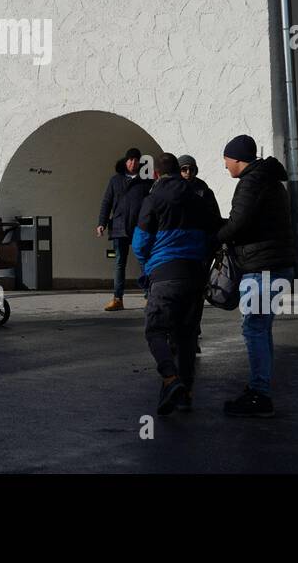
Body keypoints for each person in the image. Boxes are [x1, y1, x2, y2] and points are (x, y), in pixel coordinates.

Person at [215, 135, 294, 418]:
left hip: (262, 269)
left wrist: (215, 238)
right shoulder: (269, 180)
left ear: (238, 159)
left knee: (254, 329)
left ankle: (260, 395)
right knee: (262, 329)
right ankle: (260, 389)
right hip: (275, 265)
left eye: (227, 161)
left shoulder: (251, 182)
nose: (225, 167)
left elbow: (239, 223)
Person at [133, 153, 216, 415]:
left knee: (156, 330)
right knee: (187, 335)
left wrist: (148, 265)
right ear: (179, 171)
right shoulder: (198, 197)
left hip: (165, 273)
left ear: (156, 174)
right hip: (195, 274)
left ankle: (171, 379)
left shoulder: (153, 199)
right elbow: (213, 232)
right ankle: (186, 394)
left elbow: (140, 243)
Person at [177, 154, 223, 354]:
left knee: (196, 296)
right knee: (179, 295)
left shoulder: (204, 191)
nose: (188, 173)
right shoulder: (172, 190)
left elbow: (214, 219)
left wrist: (212, 245)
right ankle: (178, 334)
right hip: (179, 250)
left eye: (191, 169)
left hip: (200, 251)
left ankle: (193, 334)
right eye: (184, 169)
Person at [97, 147, 149, 311]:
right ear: (125, 161)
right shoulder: (115, 180)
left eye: (136, 160)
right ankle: (117, 298)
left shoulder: (145, 182)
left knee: (144, 261)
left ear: (140, 162)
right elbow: (107, 202)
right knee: (119, 262)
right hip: (119, 226)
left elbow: (152, 204)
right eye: (130, 159)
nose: (133, 163)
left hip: (139, 227)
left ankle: (149, 296)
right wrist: (101, 223)